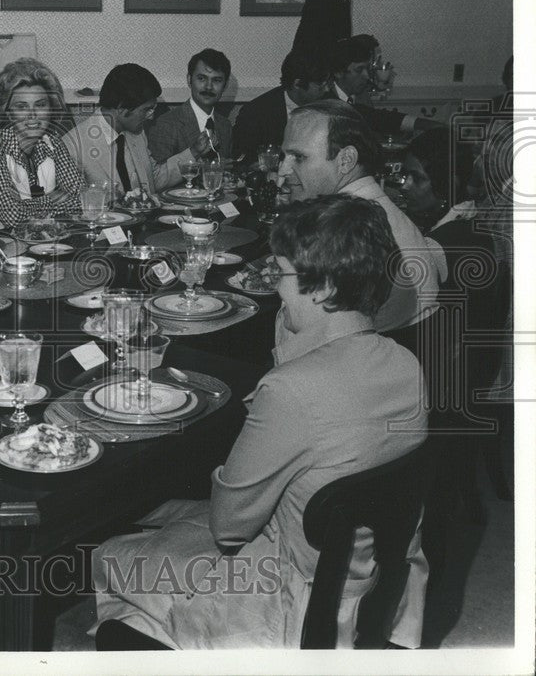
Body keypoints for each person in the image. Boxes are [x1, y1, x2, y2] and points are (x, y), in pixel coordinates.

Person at [91, 194, 428, 648]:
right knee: (163, 522)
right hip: (367, 583)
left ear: (324, 287)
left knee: (108, 556)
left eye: (284, 276)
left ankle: (158, 641)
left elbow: (229, 529)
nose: (278, 290)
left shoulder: (291, 389)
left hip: (291, 602)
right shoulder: (407, 364)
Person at [278, 100, 442, 334]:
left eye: (299, 157)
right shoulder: (378, 210)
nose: (283, 170)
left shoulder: (344, 234)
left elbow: (297, 336)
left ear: (346, 160)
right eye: (284, 156)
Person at [0, 58, 83, 230]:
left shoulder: (53, 141)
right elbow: (13, 217)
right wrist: (55, 198)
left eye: (41, 105)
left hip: (41, 245)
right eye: (21, 107)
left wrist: (28, 205)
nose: (32, 115)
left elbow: (82, 199)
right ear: (6, 112)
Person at [61, 63, 187, 198]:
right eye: (146, 110)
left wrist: (195, 152)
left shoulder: (137, 132)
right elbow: (79, 205)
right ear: (121, 108)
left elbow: (153, 180)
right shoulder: (72, 146)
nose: (151, 116)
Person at [230, 48, 331, 164]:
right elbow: (242, 160)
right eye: (320, 85)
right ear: (297, 84)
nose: (327, 89)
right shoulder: (255, 113)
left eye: (327, 83)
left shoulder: (331, 108)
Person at [329, 35, 440, 136]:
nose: (367, 76)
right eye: (359, 70)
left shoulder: (360, 94)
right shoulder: (327, 98)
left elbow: (375, 122)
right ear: (338, 72)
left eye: (367, 69)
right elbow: (376, 118)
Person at [147, 49, 233, 163]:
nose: (208, 87)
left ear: (225, 86)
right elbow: (159, 177)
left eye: (216, 80)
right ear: (189, 80)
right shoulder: (165, 124)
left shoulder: (225, 126)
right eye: (201, 78)